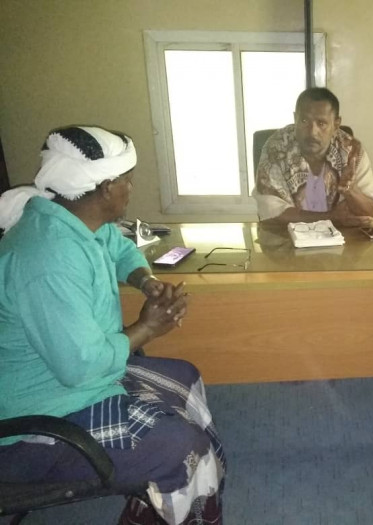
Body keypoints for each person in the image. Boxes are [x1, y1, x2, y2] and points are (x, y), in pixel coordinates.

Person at [0, 126, 226, 525]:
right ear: (105, 188)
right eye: (127, 180)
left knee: (185, 377)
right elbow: (81, 368)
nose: (131, 187)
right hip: (37, 428)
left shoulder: (73, 219)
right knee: (182, 446)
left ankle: (153, 498)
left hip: (76, 382)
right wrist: (148, 328)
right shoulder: (47, 260)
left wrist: (146, 281)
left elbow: (120, 248)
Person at [254, 87, 373, 226]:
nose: (312, 132)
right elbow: (272, 213)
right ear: (295, 118)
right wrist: (331, 217)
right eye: (304, 121)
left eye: (321, 123)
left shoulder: (351, 152)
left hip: (341, 234)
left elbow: (370, 212)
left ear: (336, 124)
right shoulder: (276, 149)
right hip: (288, 234)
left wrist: (351, 191)